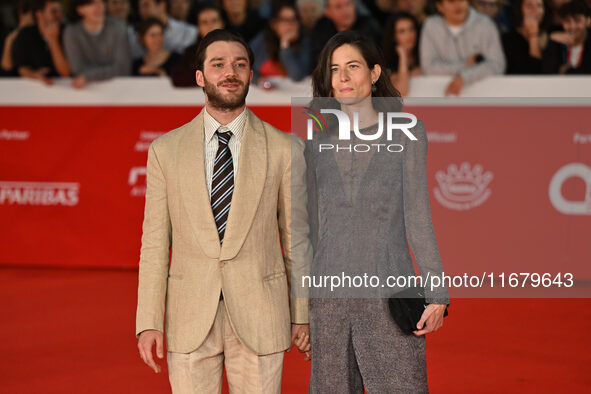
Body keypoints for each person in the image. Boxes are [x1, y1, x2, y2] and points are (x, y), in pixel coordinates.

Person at [135, 29, 312, 393]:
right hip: (188, 316)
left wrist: (303, 313)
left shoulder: (285, 149)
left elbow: (297, 241)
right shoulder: (164, 151)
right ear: (200, 76)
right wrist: (149, 321)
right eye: (218, 64)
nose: (229, 72)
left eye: (240, 64)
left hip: (261, 313)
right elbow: (154, 246)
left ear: (251, 75)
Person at [305, 30, 448, 393]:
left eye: (353, 66)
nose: (343, 77)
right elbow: (311, 228)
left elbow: (418, 217)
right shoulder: (316, 139)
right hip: (329, 298)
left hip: (388, 290)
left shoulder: (406, 133)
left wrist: (437, 293)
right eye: (334, 69)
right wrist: (299, 310)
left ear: (374, 73)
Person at [420, 0, 505, 95]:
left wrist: (465, 77)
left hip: (481, 96)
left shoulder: (485, 24)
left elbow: (497, 64)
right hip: (439, 96)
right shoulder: (431, 26)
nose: (458, 5)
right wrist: (464, 65)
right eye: (451, 1)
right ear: (440, 6)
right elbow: (428, 67)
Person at [63, 0, 131, 88]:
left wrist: (88, 77)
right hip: (85, 92)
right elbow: (77, 69)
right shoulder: (72, 32)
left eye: (101, 2)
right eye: (91, 3)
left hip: (119, 89)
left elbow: (123, 68)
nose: (98, 7)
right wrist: (106, 72)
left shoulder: (117, 27)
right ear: (80, 9)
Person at [250, 2, 313, 87]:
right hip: (262, 96)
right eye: (284, 20)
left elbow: (297, 76)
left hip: (294, 97)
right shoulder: (262, 41)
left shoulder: (305, 42)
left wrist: (285, 45)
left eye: (294, 19)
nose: (290, 24)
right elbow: (244, 67)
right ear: (274, 24)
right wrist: (258, 80)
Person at [11, 0, 70, 84]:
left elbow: (65, 73)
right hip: (35, 90)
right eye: (54, 11)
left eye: (60, 11)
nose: (59, 15)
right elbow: (22, 68)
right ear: (39, 14)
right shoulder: (25, 35)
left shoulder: (68, 32)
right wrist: (35, 75)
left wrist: (53, 39)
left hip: (66, 89)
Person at [170, 5, 224, 86]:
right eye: (204, 22)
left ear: (222, 24)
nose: (210, 26)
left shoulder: (234, 50)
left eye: (214, 21)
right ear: (199, 27)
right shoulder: (191, 52)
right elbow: (177, 77)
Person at [311, 0, 381, 60]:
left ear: (354, 5)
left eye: (348, 4)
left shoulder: (369, 26)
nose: (345, 11)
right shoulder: (322, 27)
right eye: (338, 7)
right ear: (327, 12)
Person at [131, 0, 197, 58]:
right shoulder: (134, 35)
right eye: (139, 7)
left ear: (162, 5)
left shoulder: (189, 32)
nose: (141, 11)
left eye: (146, 5)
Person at [502, 0, 553, 74]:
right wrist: (533, 34)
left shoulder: (551, 38)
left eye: (539, 6)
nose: (535, 10)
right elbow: (532, 72)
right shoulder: (507, 40)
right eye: (529, 6)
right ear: (520, 10)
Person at [544, 0, 591, 73]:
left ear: (588, 21)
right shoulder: (556, 42)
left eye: (577, 20)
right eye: (567, 21)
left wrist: (566, 70)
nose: (572, 26)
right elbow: (547, 72)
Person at [383, 11, 421, 96]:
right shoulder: (389, 62)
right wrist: (403, 57)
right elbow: (401, 92)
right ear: (394, 36)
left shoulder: (423, 53)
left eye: (411, 29)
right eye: (402, 31)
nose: (409, 35)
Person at [1, 0, 34, 76]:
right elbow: (6, 69)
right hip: (15, 82)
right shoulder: (11, 37)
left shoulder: (43, 35)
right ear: (21, 13)